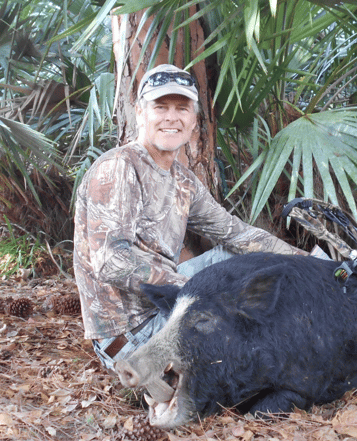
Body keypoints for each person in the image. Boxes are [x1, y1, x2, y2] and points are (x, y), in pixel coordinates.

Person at [73, 64, 307, 372]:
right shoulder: (118, 168)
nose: (171, 117)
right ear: (140, 113)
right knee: (254, 348)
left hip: (170, 307)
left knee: (245, 257)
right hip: (131, 335)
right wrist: (196, 290)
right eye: (160, 107)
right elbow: (111, 262)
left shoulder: (182, 179)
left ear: (193, 120)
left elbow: (235, 233)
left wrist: (307, 262)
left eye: (182, 108)